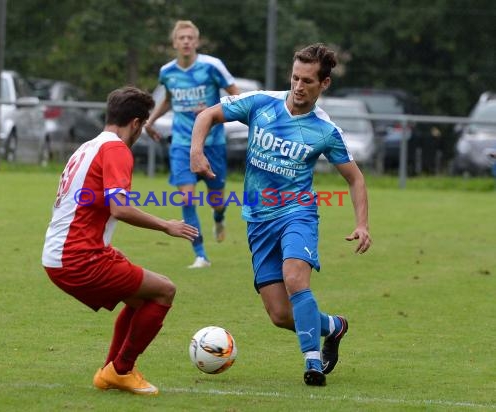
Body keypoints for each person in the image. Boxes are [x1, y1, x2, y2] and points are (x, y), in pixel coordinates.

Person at [190, 43, 371, 386]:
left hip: (297, 213)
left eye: (308, 81)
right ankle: (333, 326)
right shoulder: (261, 103)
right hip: (258, 221)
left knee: (295, 279)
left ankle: (312, 362)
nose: (299, 86)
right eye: (295, 78)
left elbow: (355, 178)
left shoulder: (325, 130)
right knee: (279, 314)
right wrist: (197, 152)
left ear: (325, 84)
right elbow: (207, 116)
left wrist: (362, 224)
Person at [41, 86, 199, 396]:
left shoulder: (88, 147)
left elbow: (82, 204)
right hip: (77, 258)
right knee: (165, 291)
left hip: (59, 254)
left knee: (141, 300)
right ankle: (121, 369)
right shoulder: (116, 150)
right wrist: (166, 225)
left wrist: (104, 245)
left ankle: (110, 372)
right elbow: (120, 208)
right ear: (138, 123)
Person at [144, 20, 240, 269]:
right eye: (181, 38)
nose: (186, 41)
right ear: (174, 43)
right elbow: (168, 99)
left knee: (216, 199)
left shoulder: (211, 66)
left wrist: (212, 111)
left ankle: (219, 217)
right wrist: (151, 120)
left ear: (196, 42)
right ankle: (200, 254)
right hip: (182, 143)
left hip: (213, 143)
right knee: (186, 198)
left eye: (190, 38)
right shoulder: (167, 72)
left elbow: (236, 95)